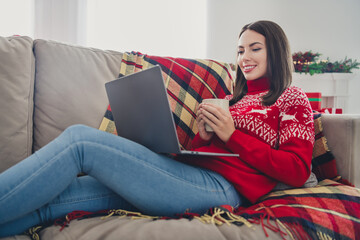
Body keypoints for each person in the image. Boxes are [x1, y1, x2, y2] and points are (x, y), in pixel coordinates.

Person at [0, 20, 316, 237]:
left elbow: (297, 169)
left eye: (254, 48)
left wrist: (232, 135)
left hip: (223, 187)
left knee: (80, 141)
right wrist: (203, 137)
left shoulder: (291, 98)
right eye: (240, 50)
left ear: (274, 50)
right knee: (56, 200)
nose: (244, 57)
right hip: (187, 177)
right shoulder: (232, 100)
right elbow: (206, 153)